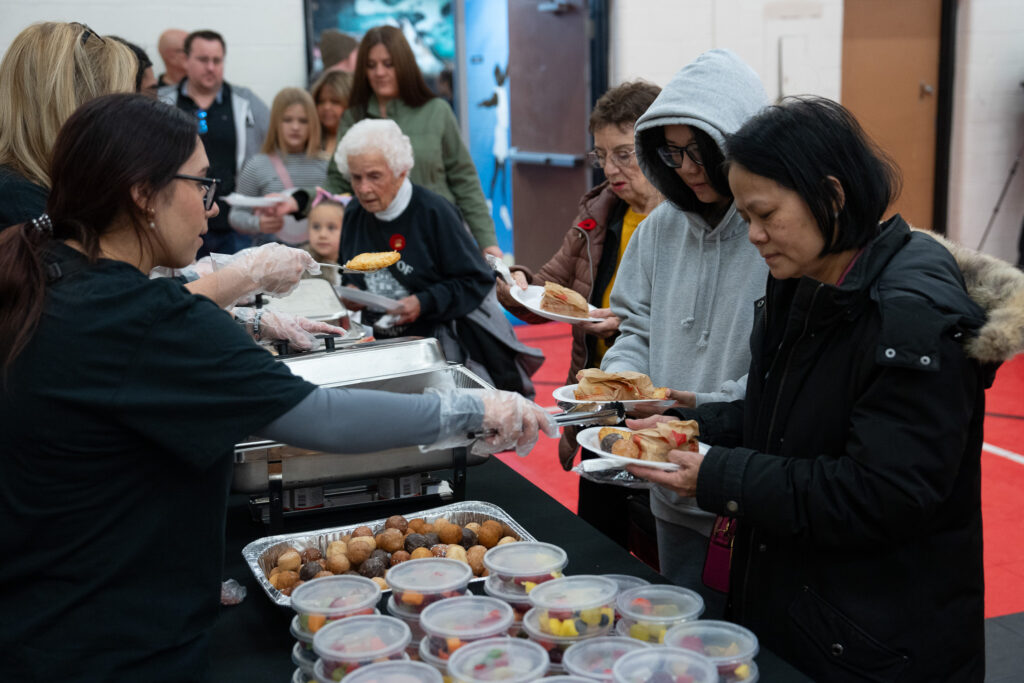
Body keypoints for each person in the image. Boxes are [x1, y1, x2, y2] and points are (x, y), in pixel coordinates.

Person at [0, 93, 554, 681]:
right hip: (110, 643)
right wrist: (474, 406)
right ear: (143, 193)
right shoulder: (146, 319)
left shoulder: (44, 268)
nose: (210, 211)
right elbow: (324, 419)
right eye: (201, 186)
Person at [628, 96, 1024, 681]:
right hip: (805, 608)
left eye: (765, 215)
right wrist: (693, 428)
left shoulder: (910, 317)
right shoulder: (807, 278)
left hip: (873, 640)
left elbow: (881, 495)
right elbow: (792, 419)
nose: (755, 236)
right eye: (746, 218)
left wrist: (716, 474)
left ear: (832, 197)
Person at [598, 50, 769, 609]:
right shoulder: (658, 230)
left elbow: (784, 372)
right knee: (681, 629)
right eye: (672, 152)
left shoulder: (773, 235)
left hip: (746, 486)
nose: (689, 168)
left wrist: (699, 407)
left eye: (702, 151)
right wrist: (625, 384)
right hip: (665, 480)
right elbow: (635, 326)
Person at [495, 80, 662, 552]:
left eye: (625, 154)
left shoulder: (684, 225)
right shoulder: (599, 213)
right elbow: (549, 287)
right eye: (601, 156)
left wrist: (626, 325)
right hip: (594, 399)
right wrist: (517, 283)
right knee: (598, 538)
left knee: (654, 543)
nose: (611, 169)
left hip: (654, 405)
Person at [336, 118, 543, 395]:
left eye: (374, 176)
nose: (362, 188)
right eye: (356, 177)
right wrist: (352, 291)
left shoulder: (433, 212)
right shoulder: (354, 213)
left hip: (443, 351)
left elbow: (476, 281)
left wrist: (423, 303)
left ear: (400, 171)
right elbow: (350, 272)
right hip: (381, 347)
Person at [325, 25, 501, 257]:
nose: (379, 72)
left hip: (438, 240)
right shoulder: (353, 117)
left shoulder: (437, 112)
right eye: (371, 65)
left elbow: (464, 180)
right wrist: (301, 202)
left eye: (388, 64)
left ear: (404, 64)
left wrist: (488, 242)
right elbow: (337, 185)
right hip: (378, 243)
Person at [0, 21, 136, 229]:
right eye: (120, 103)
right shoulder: (24, 209)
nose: (130, 119)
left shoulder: (48, 191)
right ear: (77, 106)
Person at [158, 29, 271, 256]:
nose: (211, 67)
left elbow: (274, 148)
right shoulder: (162, 101)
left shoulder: (246, 102)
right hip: (177, 224)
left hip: (235, 227)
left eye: (217, 60)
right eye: (203, 60)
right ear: (186, 60)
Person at [229, 88, 327, 245]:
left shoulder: (327, 167)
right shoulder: (256, 166)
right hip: (271, 259)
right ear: (275, 123)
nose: (295, 127)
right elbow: (236, 215)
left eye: (303, 121)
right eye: (287, 120)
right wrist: (258, 223)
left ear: (313, 124)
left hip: (318, 259)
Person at [302, 189, 348, 282]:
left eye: (331, 228)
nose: (322, 235)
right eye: (316, 227)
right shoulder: (301, 265)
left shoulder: (356, 263)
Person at [311, 70, 355, 157]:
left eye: (335, 102)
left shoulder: (363, 139)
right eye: (321, 102)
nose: (326, 107)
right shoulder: (309, 140)